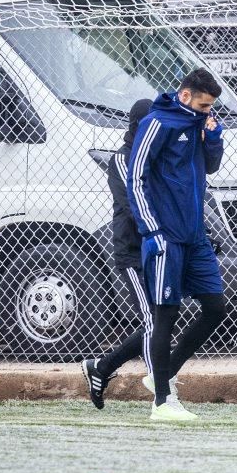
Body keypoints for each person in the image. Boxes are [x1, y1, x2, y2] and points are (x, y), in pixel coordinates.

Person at [127, 68, 227, 422]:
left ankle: (161, 374)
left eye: (211, 107)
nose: (208, 112)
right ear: (185, 96)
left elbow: (210, 168)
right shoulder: (157, 123)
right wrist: (152, 230)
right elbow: (135, 178)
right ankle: (162, 404)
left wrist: (213, 139)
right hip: (166, 237)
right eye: (203, 105)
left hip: (196, 236)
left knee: (216, 308)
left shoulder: (201, 123)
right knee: (165, 315)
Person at [81, 99, 155, 410]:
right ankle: (163, 394)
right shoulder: (123, 160)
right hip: (133, 255)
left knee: (161, 322)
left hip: (158, 253)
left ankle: (101, 368)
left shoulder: (156, 158)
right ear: (139, 128)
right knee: (153, 321)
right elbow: (135, 207)